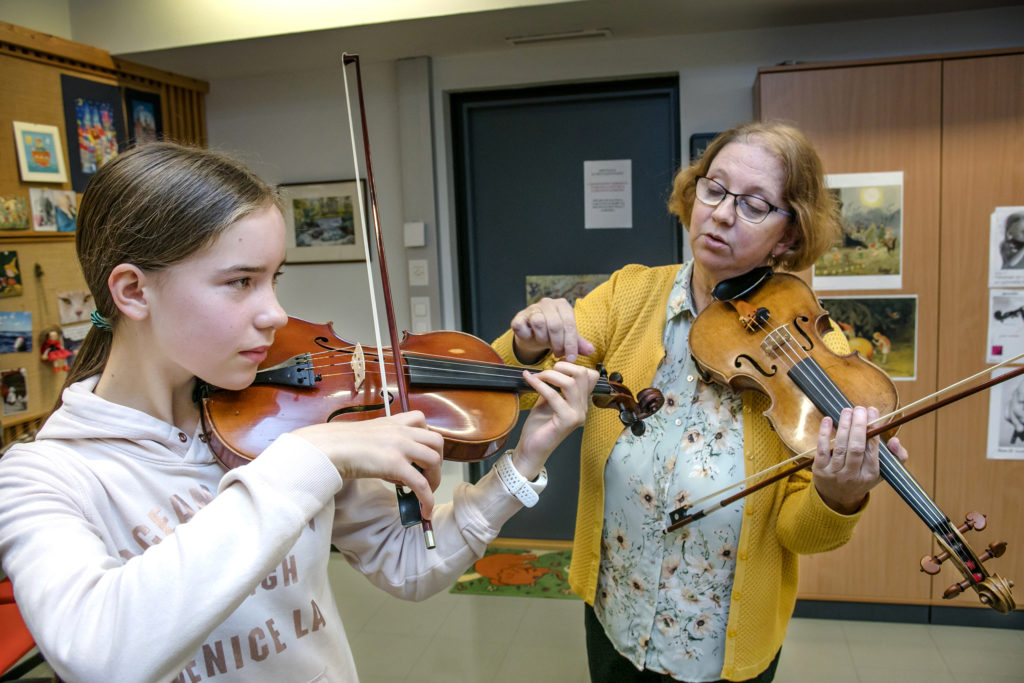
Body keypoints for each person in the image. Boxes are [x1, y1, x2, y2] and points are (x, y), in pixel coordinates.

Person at [0, 142, 597, 683]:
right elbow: (102, 655)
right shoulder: (42, 477)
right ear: (133, 291)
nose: (276, 314)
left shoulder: (284, 416)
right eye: (240, 282)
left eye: (274, 279)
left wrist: (521, 465)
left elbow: (409, 566)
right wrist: (305, 460)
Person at [492, 121, 909, 683]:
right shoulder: (630, 295)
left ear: (788, 236)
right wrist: (528, 339)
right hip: (616, 613)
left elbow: (799, 533)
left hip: (721, 646)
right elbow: (511, 386)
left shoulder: (821, 358)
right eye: (713, 188)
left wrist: (838, 495)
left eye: (755, 205)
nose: (721, 214)